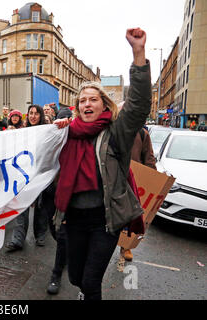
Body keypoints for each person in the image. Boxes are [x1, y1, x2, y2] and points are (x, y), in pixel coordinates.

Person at [52, 28, 150, 300]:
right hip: (72, 219)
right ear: (77, 107)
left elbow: (139, 105)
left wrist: (138, 54)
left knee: (91, 281)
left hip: (104, 221)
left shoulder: (115, 132)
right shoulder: (65, 133)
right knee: (75, 277)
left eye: (93, 99)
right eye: (82, 100)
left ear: (104, 104)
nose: (87, 103)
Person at [5, 105, 48, 251]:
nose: (33, 116)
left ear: (40, 115)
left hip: (41, 173)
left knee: (41, 207)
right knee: (21, 207)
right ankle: (17, 240)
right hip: (24, 174)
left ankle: (40, 235)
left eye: (36, 113)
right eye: (31, 113)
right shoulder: (22, 132)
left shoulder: (47, 131)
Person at [117, 101, 156, 261]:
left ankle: (125, 246)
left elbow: (149, 158)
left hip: (132, 180)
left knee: (129, 215)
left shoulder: (142, 134)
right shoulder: (110, 130)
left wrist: (151, 179)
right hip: (112, 179)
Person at [46, 107, 73, 295]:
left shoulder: (78, 137)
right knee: (53, 228)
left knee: (62, 233)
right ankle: (66, 253)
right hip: (50, 190)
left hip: (70, 192)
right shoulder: (51, 138)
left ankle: (56, 273)